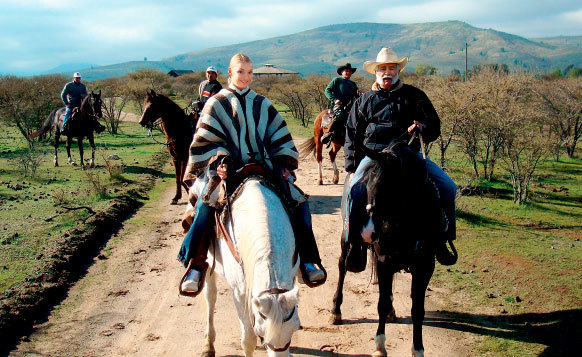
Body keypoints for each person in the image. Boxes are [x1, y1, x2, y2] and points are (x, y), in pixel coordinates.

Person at [178, 53, 327, 296]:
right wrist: (220, 160)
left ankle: (309, 261)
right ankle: (196, 263)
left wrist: (281, 161)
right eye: (241, 72)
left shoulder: (262, 103)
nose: (246, 77)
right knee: (207, 203)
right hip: (228, 169)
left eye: (250, 72)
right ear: (230, 72)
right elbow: (205, 140)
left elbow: (279, 136)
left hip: (262, 167)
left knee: (299, 202)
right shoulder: (216, 103)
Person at [344, 47, 457, 265]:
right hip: (374, 156)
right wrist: (350, 167)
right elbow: (351, 134)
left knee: (447, 188)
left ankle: (442, 240)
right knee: (353, 190)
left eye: (392, 68)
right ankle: (354, 243)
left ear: (398, 70)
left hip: (408, 156)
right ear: (376, 72)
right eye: (383, 68)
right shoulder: (364, 101)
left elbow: (434, 126)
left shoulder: (416, 96)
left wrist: (422, 128)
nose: (387, 72)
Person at [321, 63, 359, 144]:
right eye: (346, 71)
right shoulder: (337, 80)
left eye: (350, 71)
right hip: (338, 105)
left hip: (350, 105)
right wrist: (334, 99)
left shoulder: (353, 84)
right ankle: (329, 132)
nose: (348, 72)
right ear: (342, 72)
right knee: (339, 114)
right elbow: (327, 90)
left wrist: (361, 95)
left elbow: (357, 95)